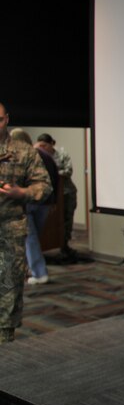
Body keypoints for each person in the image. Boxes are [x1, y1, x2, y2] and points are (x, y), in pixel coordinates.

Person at [0, 103, 51, 342]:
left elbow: (45, 186)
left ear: (7, 119)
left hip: (9, 231)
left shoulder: (24, 152)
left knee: (9, 289)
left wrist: (22, 193)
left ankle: (5, 341)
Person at [8, 129, 58, 285]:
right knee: (33, 237)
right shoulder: (45, 155)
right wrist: (54, 201)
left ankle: (39, 273)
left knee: (30, 238)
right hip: (44, 201)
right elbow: (54, 178)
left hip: (27, 201)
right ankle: (30, 269)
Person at [35, 133, 77, 260]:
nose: (42, 148)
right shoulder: (37, 156)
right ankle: (45, 247)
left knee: (67, 219)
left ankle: (65, 246)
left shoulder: (62, 154)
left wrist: (53, 172)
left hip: (66, 192)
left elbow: (68, 171)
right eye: (40, 145)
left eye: (44, 145)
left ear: (51, 144)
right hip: (49, 194)